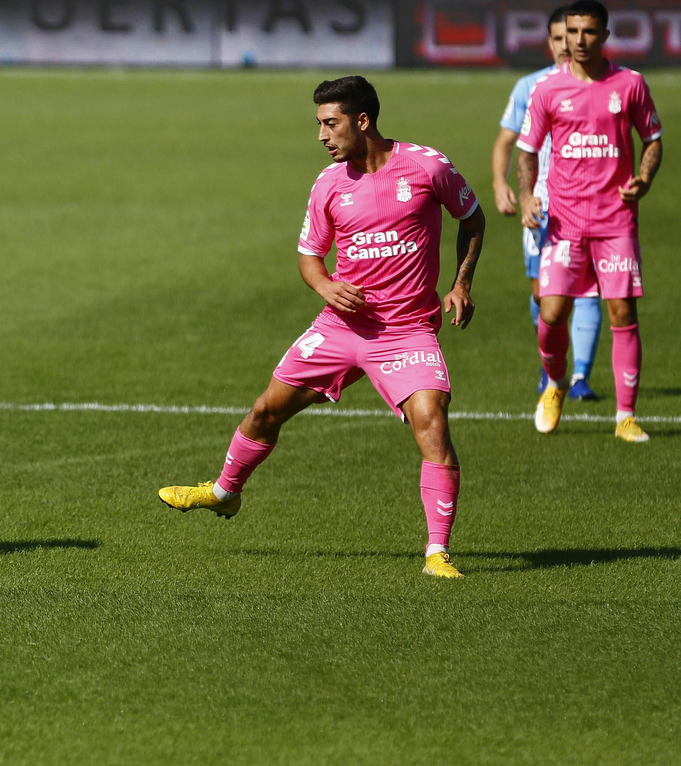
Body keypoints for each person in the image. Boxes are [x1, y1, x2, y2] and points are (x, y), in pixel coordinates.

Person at [159, 77, 485, 579]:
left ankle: (437, 553)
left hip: (404, 331)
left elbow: (472, 218)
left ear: (362, 121)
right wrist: (325, 287)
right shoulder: (329, 183)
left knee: (432, 421)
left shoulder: (426, 165)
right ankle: (225, 492)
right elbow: (310, 257)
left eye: (330, 124)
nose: (321, 136)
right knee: (267, 410)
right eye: (318, 125)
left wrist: (461, 284)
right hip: (339, 328)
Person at [517, 0, 663, 444]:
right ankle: (556, 383)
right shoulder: (547, 89)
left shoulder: (630, 84)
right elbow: (527, 149)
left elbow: (653, 139)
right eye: (573, 32)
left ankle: (625, 417)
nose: (579, 41)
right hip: (564, 221)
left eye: (589, 32)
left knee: (622, 311)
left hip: (616, 220)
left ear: (605, 35)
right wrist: (526, 196)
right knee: (551, 312)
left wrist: (644, 177)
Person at [491, 7, 602, 400]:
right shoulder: (531, 87)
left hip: (590, 205)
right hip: (541, 206)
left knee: (587, 290)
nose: (566, 45)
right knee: (543, 293)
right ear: (551, 42)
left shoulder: (601, 85)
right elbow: (506, 142)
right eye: (558, 38)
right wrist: (501, 184)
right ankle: (551, 369)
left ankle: (580, 378)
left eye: (571, 36)